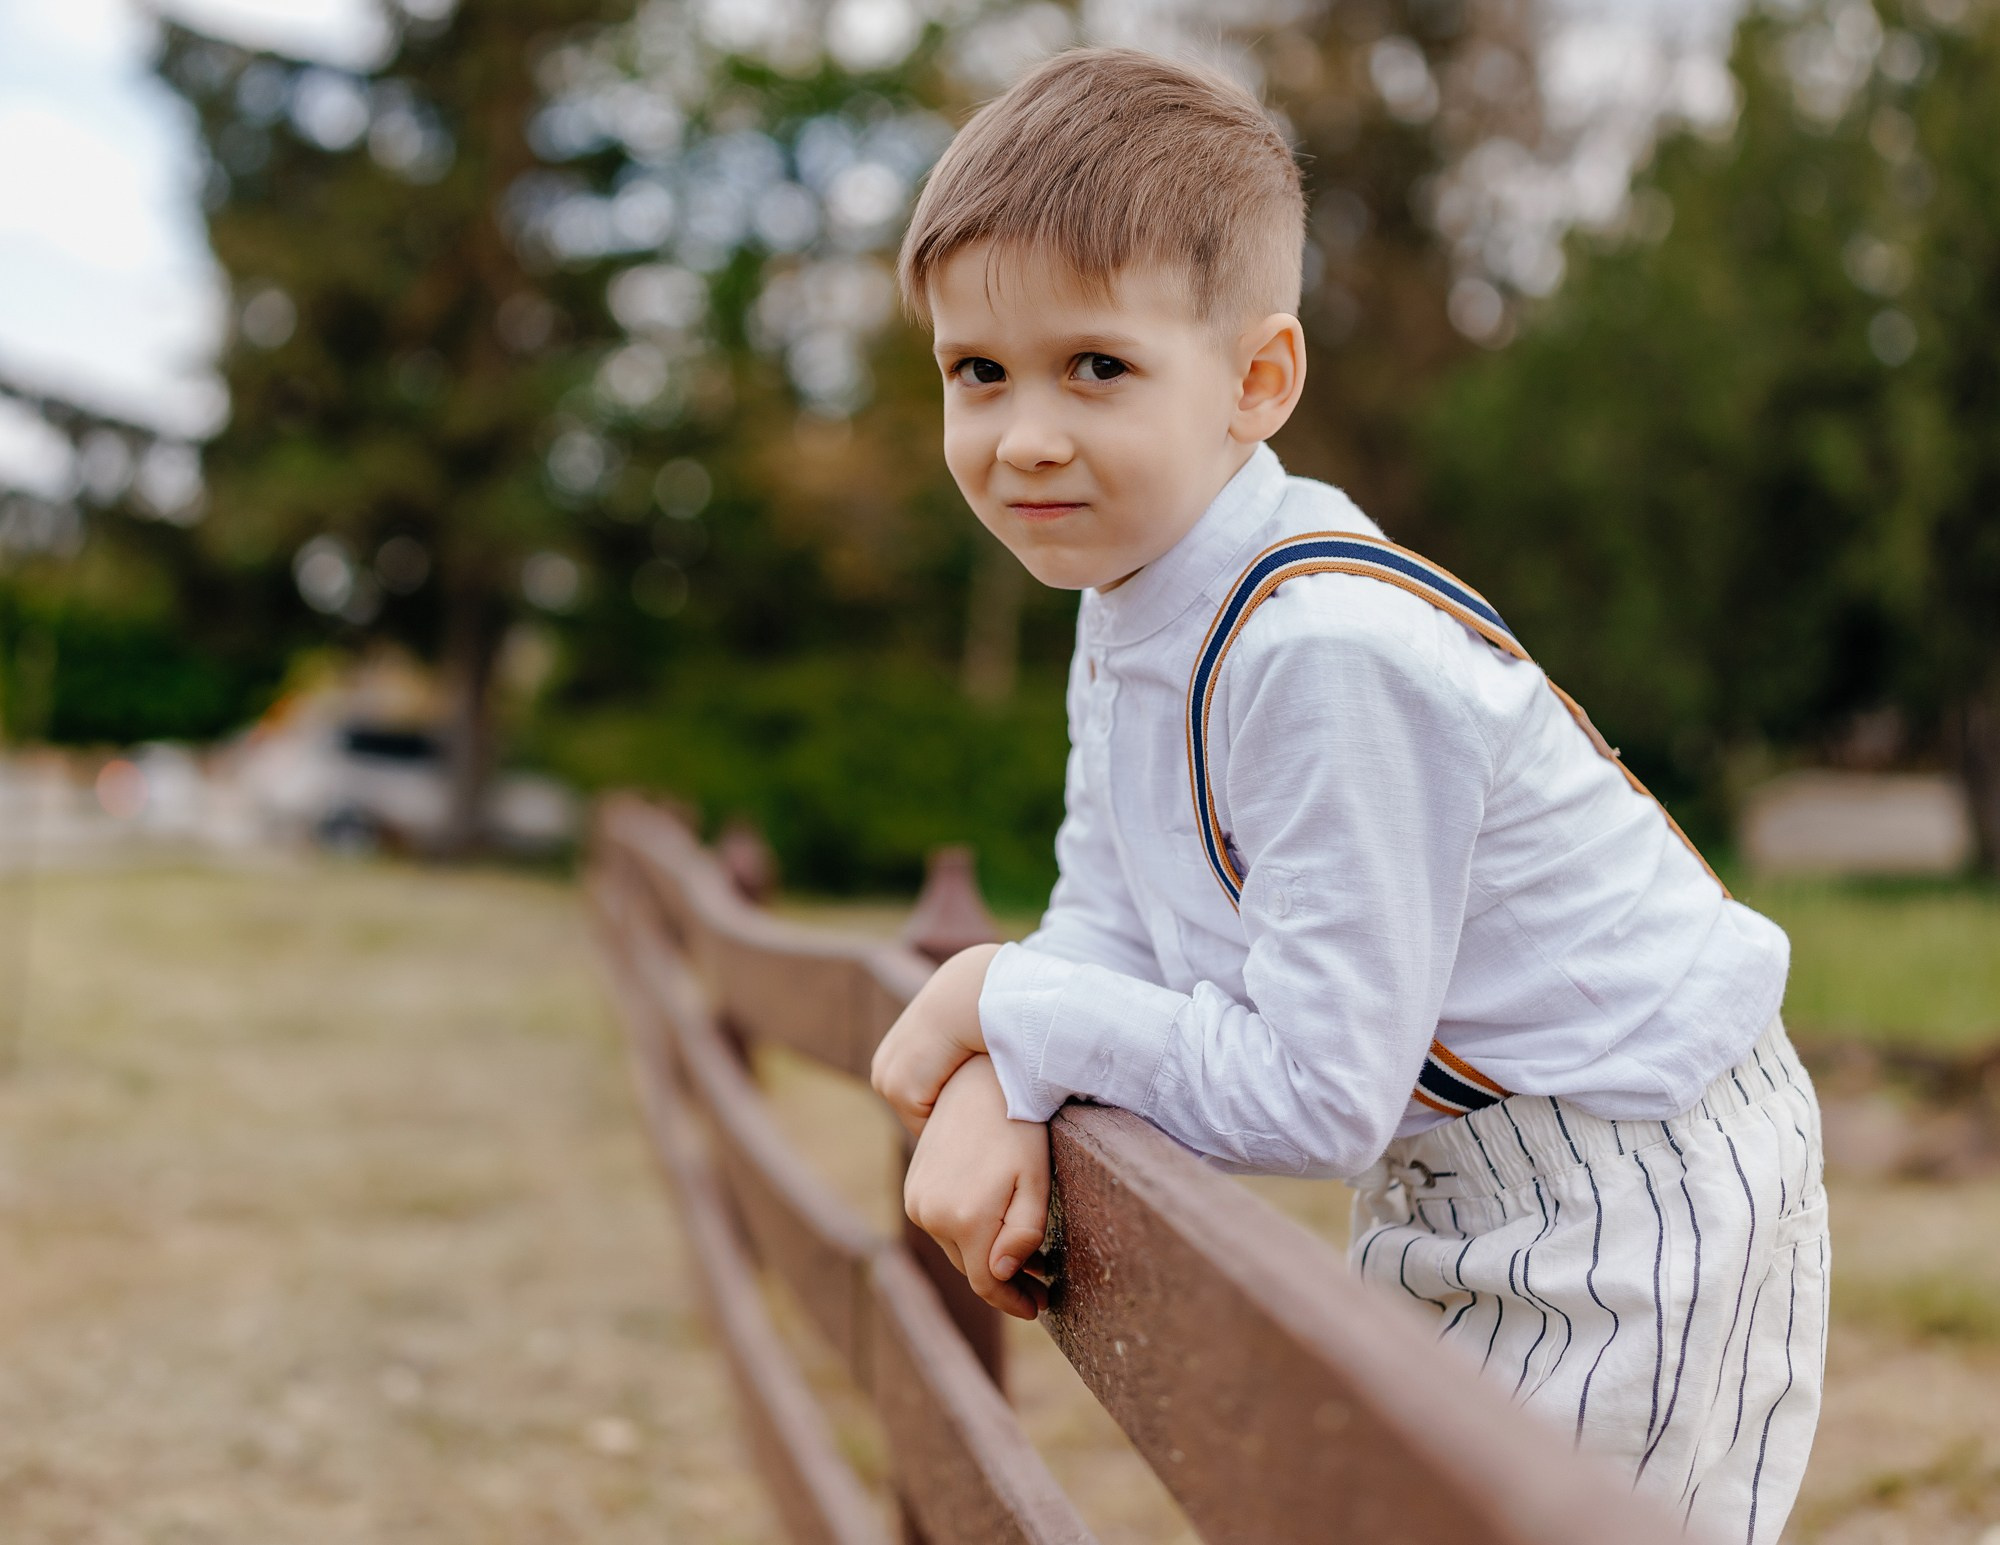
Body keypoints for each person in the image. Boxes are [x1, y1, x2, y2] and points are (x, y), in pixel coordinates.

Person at [869, 45, 1826, 1542]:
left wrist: (998, 999)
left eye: (1097, 366)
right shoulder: (1130, 601)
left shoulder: (1321, 648)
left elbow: (1315, 1092)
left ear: (1257, 381)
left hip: (1632, 1188)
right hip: (1445, 1171)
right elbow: (1109, 917)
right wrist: (1006, 1071)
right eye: (976, 371)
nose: (1025, 434)